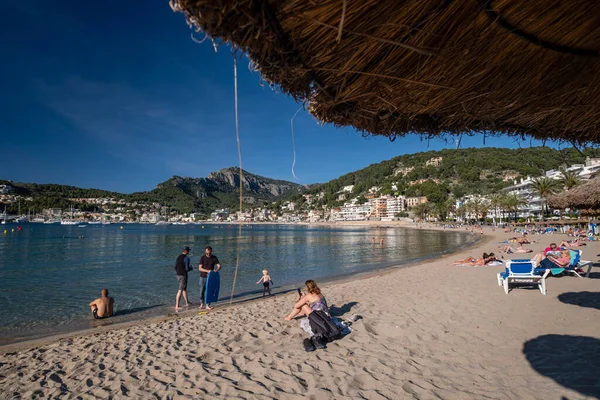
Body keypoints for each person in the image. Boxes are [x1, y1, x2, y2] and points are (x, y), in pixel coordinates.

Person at [198, 246, 221, 310]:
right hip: (203, 277)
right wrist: (208, 271)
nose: (208, 254)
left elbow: (219, 266)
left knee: (209, 291)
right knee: (201, 291)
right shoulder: (202, 258)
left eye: (209, 253)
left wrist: (215, 271)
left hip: (211, 278)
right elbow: (200, 268)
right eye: (207, 253)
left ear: (211, 251)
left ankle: (207, 305)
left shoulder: (214, 257)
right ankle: (202, 303)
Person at [174, 246, 193, 311]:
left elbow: (175, 267)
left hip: (178, 275)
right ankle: (177, 306)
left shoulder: (178, 257)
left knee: (184, 289)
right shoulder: (186, 258)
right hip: (183, 275)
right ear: (186, 251)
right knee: (180, 290)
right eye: (188, 251)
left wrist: (179, 271)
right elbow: (187, 269)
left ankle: (187, 302)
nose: (189, 252)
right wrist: (191, 268)